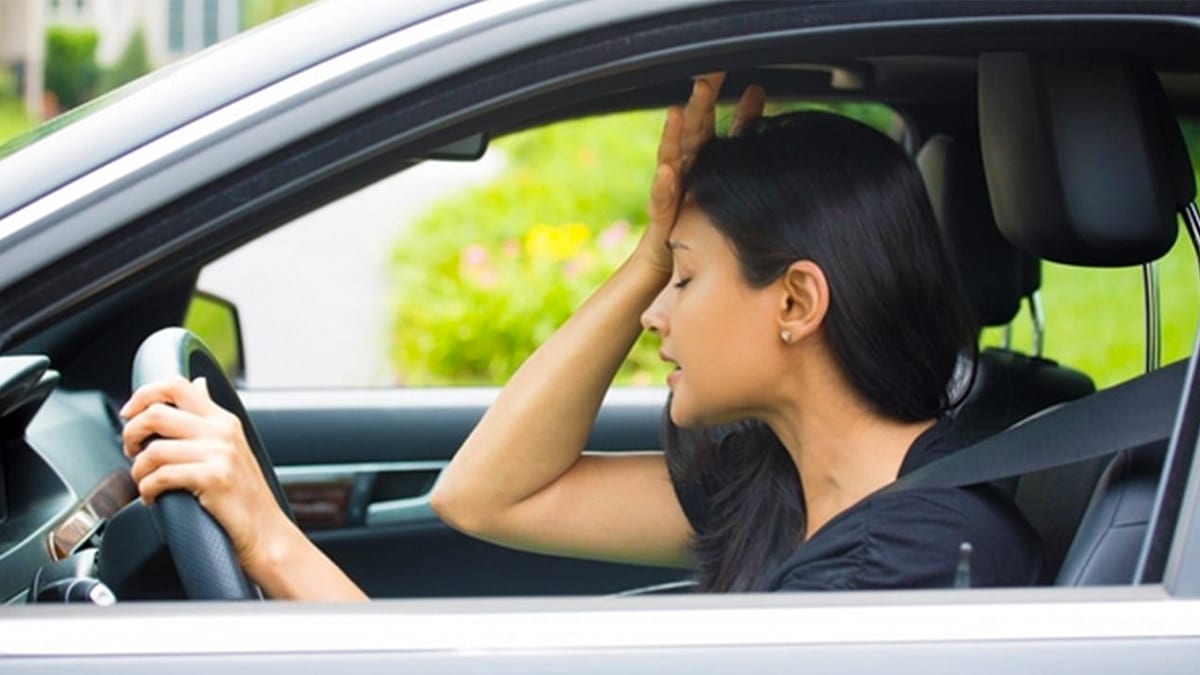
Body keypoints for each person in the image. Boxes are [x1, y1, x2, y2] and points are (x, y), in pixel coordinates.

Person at [120, 74, 1041, 599]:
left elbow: (483, 501)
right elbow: (485, 496)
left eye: (683, 279)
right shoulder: (788, 488)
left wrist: (270, 539)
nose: (654, 313)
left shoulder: (902, 569)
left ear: (796, 303)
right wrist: (652, 249)